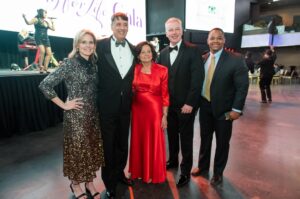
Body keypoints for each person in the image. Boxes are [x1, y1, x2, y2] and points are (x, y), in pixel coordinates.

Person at [39, 29, 105, 199]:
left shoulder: (94, 63)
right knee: (77, 151)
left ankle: (89, 182)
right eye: (84, 42)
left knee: (90, 149)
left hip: (92, 115)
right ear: (77, 44)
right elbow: (45, 84)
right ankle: (75, 184)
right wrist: (64, 105)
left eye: (91, 42)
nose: (88, 45)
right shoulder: (70, 63)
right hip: (76, 116)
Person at [191, 28, 249, 186]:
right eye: (212, 38)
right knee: (205, 139)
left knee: (222, 143)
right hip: (205, 106)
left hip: (225, 110)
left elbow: (242, 87)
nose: (215, 41)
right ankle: (202, 167)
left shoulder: (235, 59)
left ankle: (218, 173)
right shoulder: (202, 58)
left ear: (224, 40)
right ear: (207, 40)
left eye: (219, 38)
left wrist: (236, 110)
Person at [157, 17, 203, 187]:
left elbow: (197, 79)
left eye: (177, 29)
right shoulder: (162, 54)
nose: (174, 32)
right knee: (171, 136)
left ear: (182, 30)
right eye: (170, 30)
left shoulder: (193, 50)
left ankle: (185, 171)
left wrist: (190, 103)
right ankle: (173, 161)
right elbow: (159, 81)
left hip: (186, 106)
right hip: (168, 107)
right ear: (166, 33)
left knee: (186, 138)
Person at [96, 12, 135, 199]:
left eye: (125, 24)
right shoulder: (99, 45)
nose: (122, 27)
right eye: (118, 24)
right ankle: (109, 182)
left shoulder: (134, 49)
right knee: (108, 146)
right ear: (112, 26)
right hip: (106, 106)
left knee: (121, 143)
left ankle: (119, 173)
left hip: (126, 106)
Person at [129, 41, 169, 184]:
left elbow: (165, 94)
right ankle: (139, 170)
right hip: (138, 110)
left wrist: (165, 115)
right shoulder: (134, 69)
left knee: (154, 139)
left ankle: (152, 171)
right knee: (138, 139)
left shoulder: (162, 70)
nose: (146, 54)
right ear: (138, 55)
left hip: (155, 111)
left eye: (148, 51)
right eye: (142, 52)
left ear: (153, 53)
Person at [22, 8, 55, 73]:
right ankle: (41, 67)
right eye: (45, 13)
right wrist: (24, 17)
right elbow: (28, 23)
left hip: (46, 38)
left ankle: (45, 68)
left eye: (46, 13)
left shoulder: (46, 22)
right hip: (38, 37)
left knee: (49, 53)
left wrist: (52, 22)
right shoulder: (36, 19)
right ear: (41, 13)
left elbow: (53, 29)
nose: (46, 14)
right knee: (42, 51)